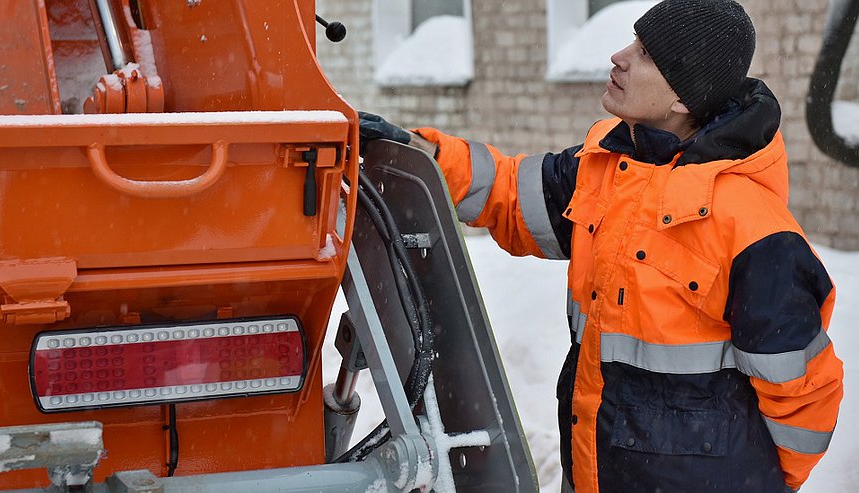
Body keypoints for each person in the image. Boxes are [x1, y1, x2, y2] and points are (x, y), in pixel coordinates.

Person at [358, 0, 844, 491]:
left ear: (684, 97)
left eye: (646, 54)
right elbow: (508, 191)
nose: (619, 56)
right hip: (594, 470)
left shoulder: (756, 232)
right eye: (634, 41)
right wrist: (419, 154)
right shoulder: (610, 172)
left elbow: (803, 402)